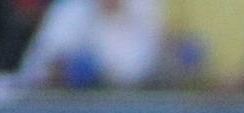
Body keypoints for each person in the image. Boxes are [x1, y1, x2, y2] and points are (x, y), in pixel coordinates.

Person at [17, 0, 162, 85]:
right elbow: (37, 67)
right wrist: (64, 67)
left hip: (132, 103)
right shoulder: (71, 10)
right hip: (74, 108)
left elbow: (148, 67)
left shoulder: (146, 9)